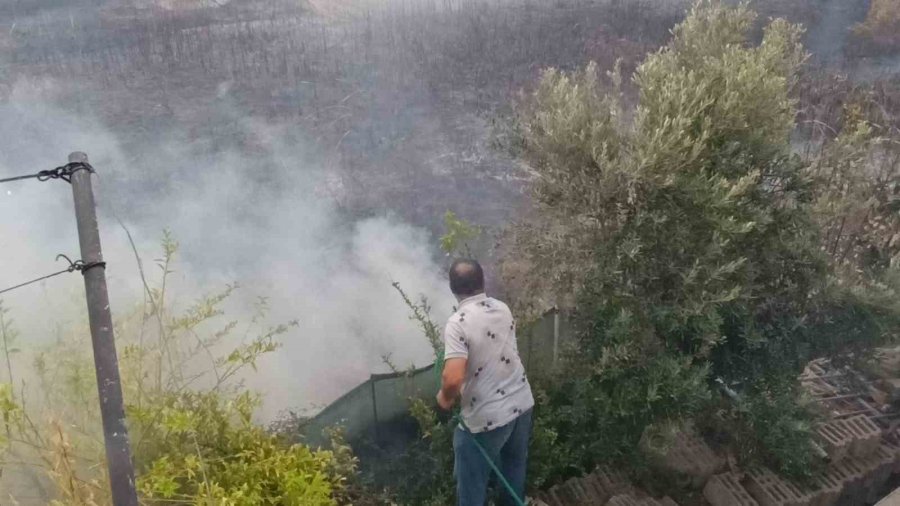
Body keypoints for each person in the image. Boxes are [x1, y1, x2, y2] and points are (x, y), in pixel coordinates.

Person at [436, 258, 535, 506]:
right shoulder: (502, 308)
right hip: (522, 404)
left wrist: (444, 400)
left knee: (471, 483)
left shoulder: (457, 323)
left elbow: (453, 377)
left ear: (452, 288)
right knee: (514, 468)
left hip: (486, 418)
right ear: (483, 281)